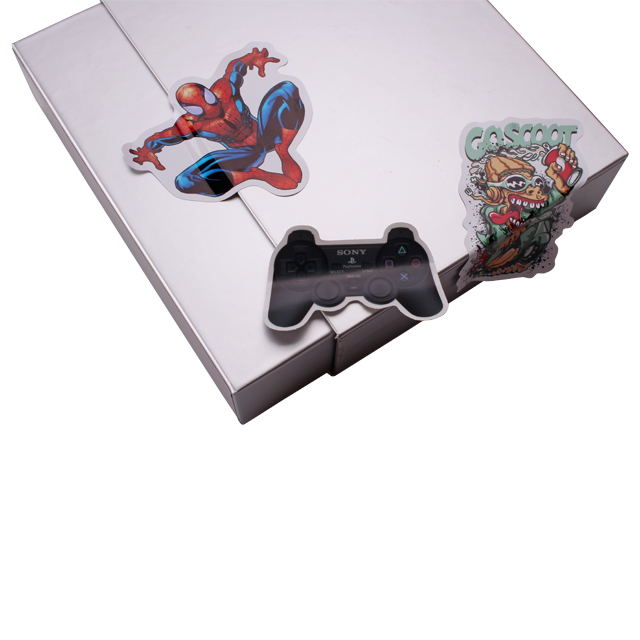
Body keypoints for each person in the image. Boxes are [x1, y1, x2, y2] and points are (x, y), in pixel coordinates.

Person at [129, 47, 305, 198]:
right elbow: (162, 136)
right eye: (198, 108)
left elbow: (235, 67)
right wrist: (147, 149)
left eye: (208, 98)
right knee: (184, 181)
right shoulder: (191, 124)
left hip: (267, 134)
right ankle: (254, 175)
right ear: (189, 110)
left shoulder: (224, 89)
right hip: (245, 154)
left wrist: (252, 57)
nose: (209, 108)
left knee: (287, 88)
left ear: (209, 91)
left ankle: (283, 149)